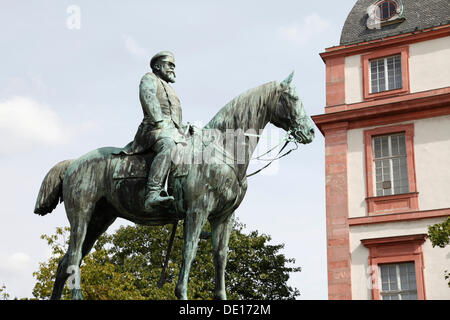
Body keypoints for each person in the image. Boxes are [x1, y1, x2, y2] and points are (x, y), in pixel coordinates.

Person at [123, 51, 187, 210]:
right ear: (158, 66)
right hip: (152, 130)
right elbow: (149, 99)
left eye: (174, 66)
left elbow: (175, 119)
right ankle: (153, 193)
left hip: (170, 131)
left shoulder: (171, 89)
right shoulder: (149, 79)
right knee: (168, 146)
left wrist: (184, 129)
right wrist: (160, 121)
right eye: (169, 65)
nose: (173, 68)